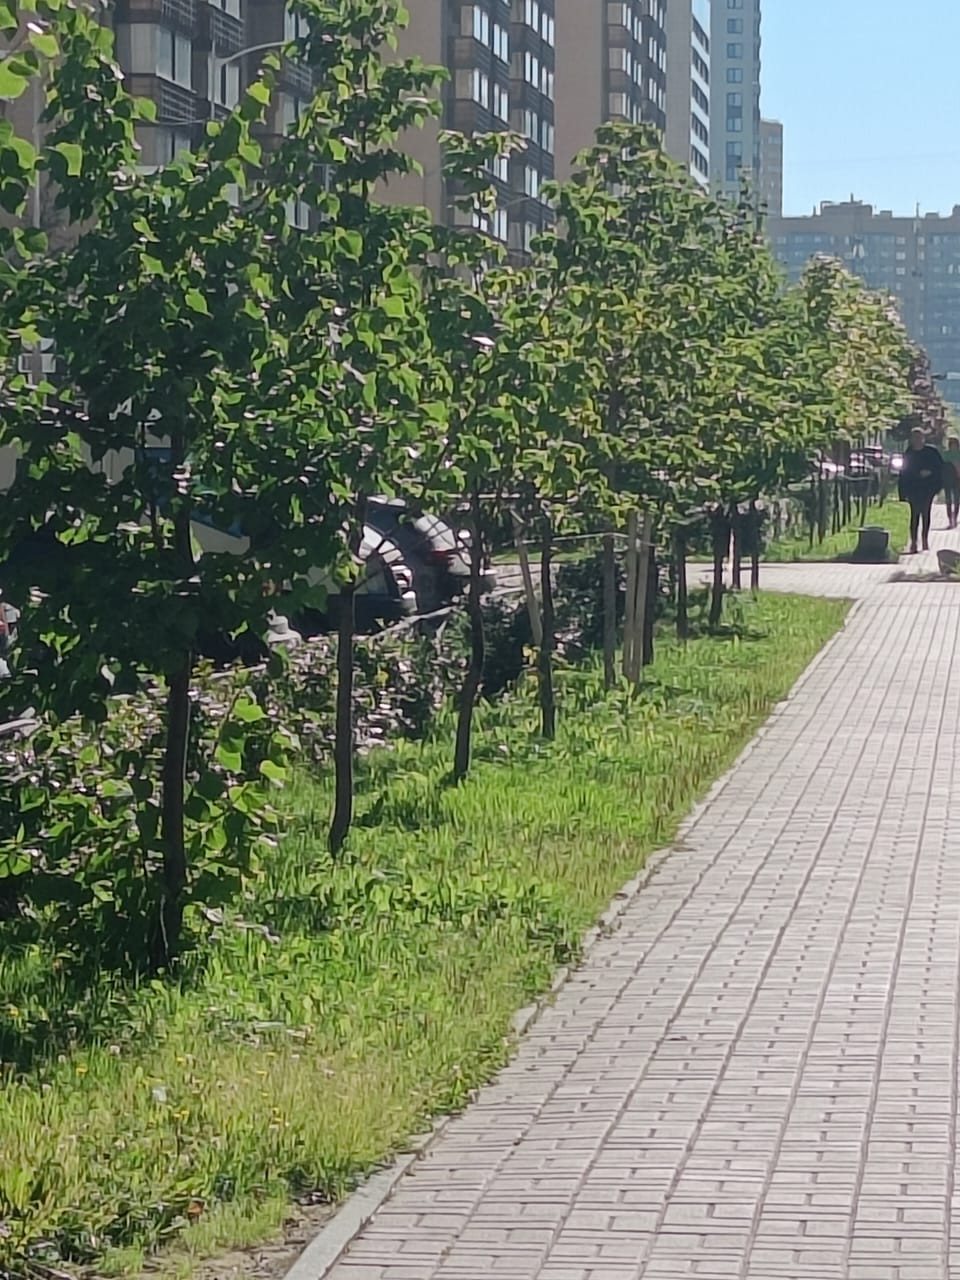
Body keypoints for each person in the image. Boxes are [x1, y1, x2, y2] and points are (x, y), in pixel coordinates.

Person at [898, 427, 945, 553]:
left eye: (919, 437)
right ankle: (914, 541)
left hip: (928, 488)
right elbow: (904, 472)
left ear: (923, 438)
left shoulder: (931, 452)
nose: (917, 440)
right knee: (914, 514)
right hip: (913, 488)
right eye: (915, 438)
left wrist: (931, 474)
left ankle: (925, 539)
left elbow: (940, 468)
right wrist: (902, 492)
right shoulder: (909, 452)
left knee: (925, 512)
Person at [943, 434, 960, 529]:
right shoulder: (946, 454)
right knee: (949, 500)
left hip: (956, 479)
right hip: (948, 479)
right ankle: (950, 519)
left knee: (957, 500)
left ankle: (955, 518)